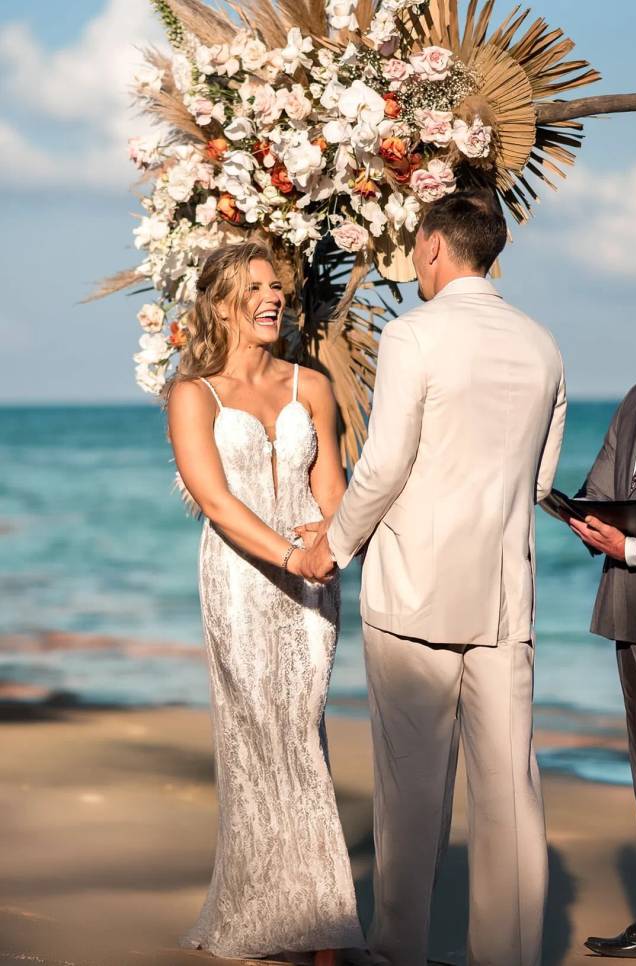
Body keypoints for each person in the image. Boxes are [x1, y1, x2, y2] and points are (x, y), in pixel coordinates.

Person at [298, 190, 567, 966]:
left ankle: (398, 952)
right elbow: (540, 482)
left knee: (412, 795)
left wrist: (333, 545)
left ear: (434, 246)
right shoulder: (543, 346)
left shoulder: (413, 334)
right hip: (505, 601)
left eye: (417, 247)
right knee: (509, 796)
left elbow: (383, 465)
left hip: (414, 593)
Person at [166, 241, 364, 964]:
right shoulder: (194, 394)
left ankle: (308, 919)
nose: (273, 296)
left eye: (276, 286)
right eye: (254, 287)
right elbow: (216, 501)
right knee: (260, 736)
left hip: (314, 582)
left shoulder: (312, 385)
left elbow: (333, 486)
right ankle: (299, 921)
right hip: (242, 580)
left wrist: (331, 542)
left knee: (300, 730)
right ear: (222, 304)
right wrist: (289, 554)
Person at [565, 385, 636, 958]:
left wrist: (630, 549)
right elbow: (601, 488)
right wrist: (582, 518)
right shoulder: (634, 400)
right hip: (629, 615)